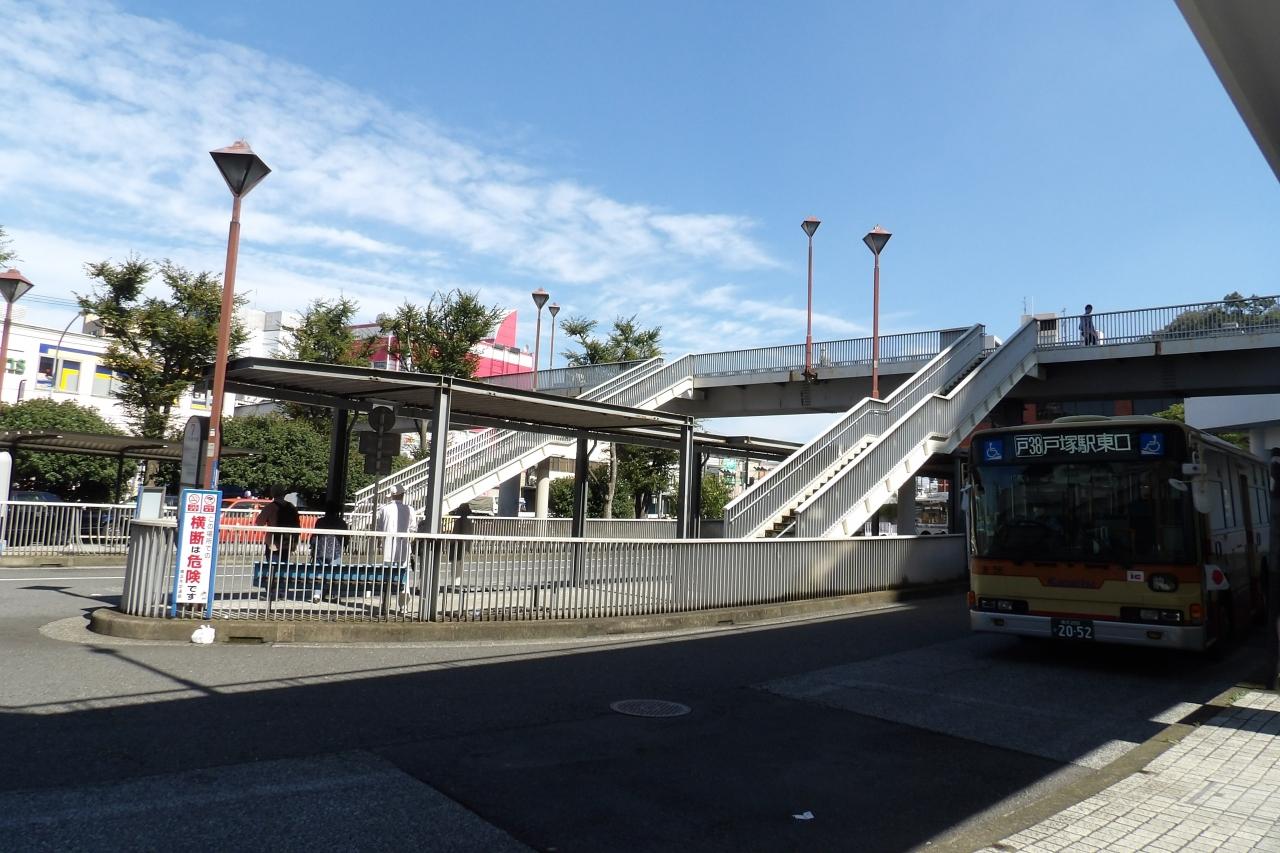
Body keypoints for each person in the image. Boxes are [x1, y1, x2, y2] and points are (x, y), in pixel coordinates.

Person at [254, 485, 300, 562]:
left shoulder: (270, 507)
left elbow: (259, 523)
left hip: (273, 543)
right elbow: (297, 524)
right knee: (284, 567)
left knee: (272, 567)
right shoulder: (292, 507)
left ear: (272, 494)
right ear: (284, 493)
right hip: (288, 542)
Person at [376, 485, 416, 564]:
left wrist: (379, 542)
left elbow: (379, 529)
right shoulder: (409, 509)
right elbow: (413, 528)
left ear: (391, 495)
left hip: (387, 549)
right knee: (402, 573)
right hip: (404, 548)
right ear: (403, 495)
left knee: (387, 573)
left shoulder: (384, 509)